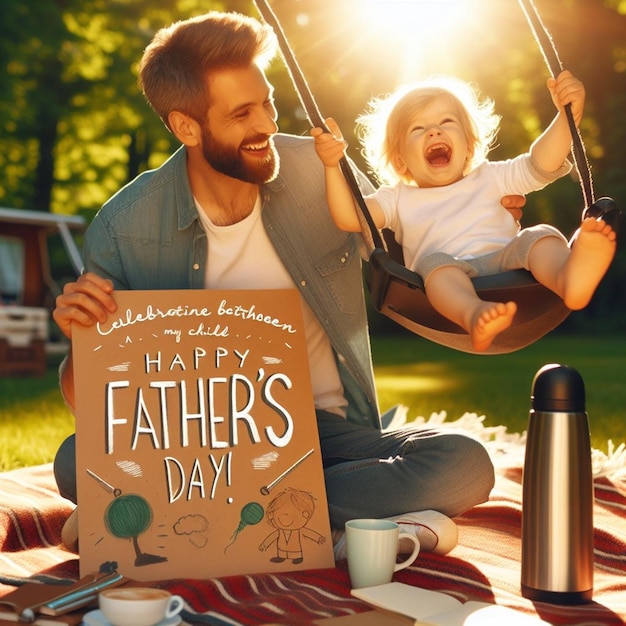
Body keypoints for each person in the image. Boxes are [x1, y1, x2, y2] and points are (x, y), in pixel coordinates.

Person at [52, 12, 526, 559]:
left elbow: (417, 253)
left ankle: (195, 522)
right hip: (200, 449)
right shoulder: (125, 225)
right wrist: (81, 338)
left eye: (268, 103)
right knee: (74, 460)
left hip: (325, 434)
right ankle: (325, 524)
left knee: (463, 464)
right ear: (186, 127)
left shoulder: (324, 177)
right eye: (243, 114)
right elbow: (95, 406)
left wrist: (487, 222)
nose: (269, 125)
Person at [312, 73, 616, 351]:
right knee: (434, 267)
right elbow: (350, 217)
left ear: (469, 146)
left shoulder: (489, 176)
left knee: (540, 236)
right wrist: (331, 165)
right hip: (450, 273)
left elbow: (539, 164)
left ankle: (570, 279)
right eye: (418, 129)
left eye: (446, 122)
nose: (434, 132)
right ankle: (475, 315)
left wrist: (566, 118)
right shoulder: (397, 198)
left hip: (509, 260)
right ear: (401, 160)